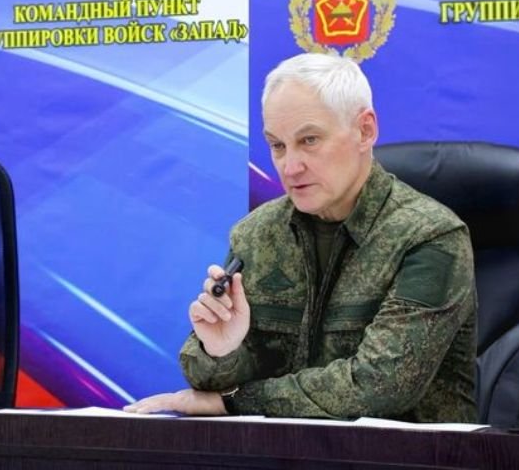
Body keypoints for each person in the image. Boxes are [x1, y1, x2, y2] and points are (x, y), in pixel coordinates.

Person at [125, 53, 477, 422]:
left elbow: (381, 384)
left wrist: (234, 401)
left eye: (309, 140)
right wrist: (221, 351)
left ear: (365, 131)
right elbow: (212, 382)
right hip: (279, 450)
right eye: (277, 146)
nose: (290, 167)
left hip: (408, 452)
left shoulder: (430, 237)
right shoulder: (256, 234)